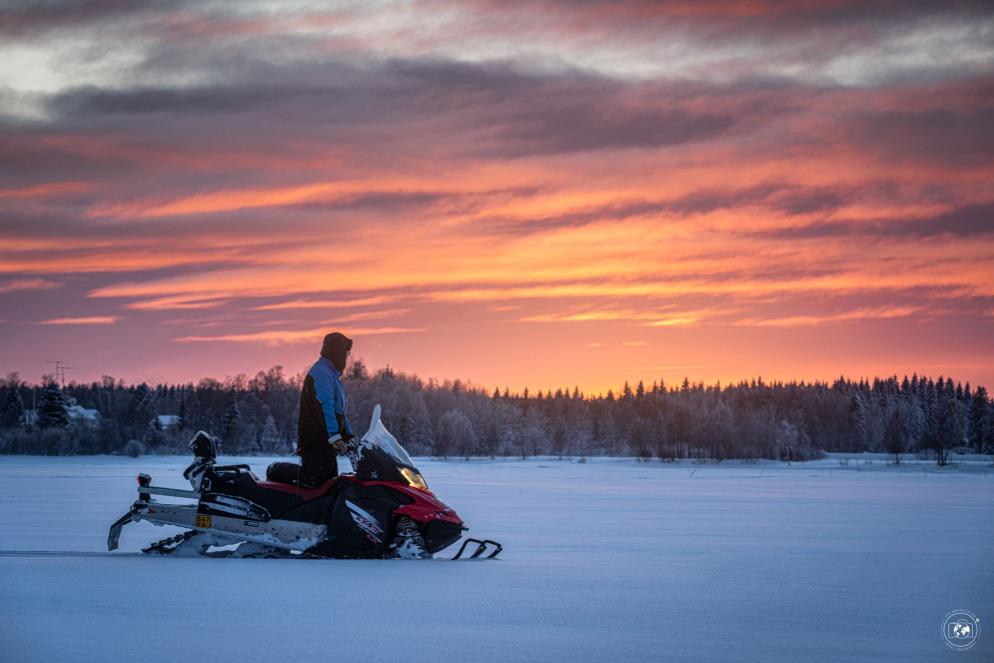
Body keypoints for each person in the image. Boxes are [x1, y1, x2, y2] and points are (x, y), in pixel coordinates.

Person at [296, 331, 355, 484]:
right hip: (316, 443)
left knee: (329, 489)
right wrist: (334, 436)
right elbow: (324, 406)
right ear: (337, 352)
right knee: (319, 490)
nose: (347, 357)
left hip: (325, 445)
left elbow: (339, 413)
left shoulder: (331, 375)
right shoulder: (321, 373)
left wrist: (349, 436)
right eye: (346, 353)